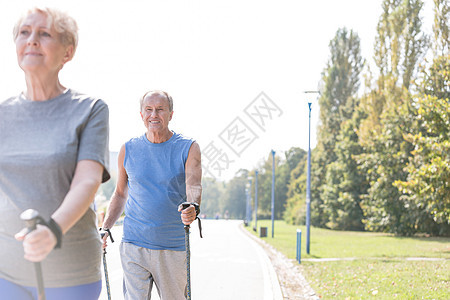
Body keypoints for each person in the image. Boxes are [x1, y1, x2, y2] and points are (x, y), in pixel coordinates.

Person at [0, 7, 110, 300]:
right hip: (6, 270)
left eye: (44, 34)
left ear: (67, 52)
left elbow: (87, 182)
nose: (32, 40)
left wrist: (52, 230)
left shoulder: (90, 110)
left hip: (70, 272)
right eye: (25, 32)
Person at [101, 90, 202, 300]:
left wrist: (193, 207)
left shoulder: (189, 147)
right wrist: (105, 228)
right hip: (134, 245)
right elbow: (120, 194)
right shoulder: (128, 149)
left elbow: (194, 187)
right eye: (148, 110)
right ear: (141, 114)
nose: (153, 115)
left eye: (160, 109)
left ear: (171, 114)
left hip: (172, 247)